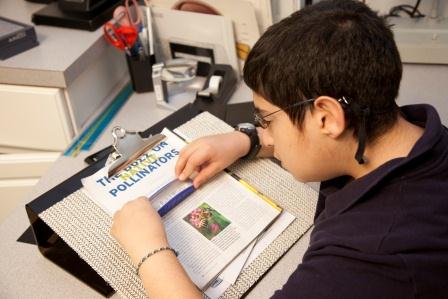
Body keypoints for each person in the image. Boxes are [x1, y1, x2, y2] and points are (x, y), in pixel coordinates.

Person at [111, 0, 448, 298]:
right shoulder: (421, 137)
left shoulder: (369, 257)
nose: (264, 128)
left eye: (268, 119)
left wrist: (150, 250)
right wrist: (250, 140)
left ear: (327, 117)